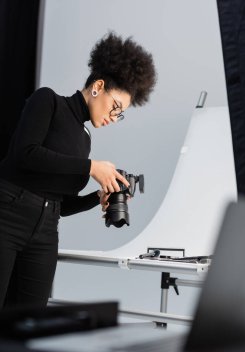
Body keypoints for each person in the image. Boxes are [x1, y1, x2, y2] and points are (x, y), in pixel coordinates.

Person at [0, 32, 156, 309]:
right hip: (6, 217)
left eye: (120, 114)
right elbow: (25, 154)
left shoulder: (84, 140)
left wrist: (97, 197)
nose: (114, 117)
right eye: (115, 106)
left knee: (28, 327)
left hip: (45, 233)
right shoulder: (47, 101)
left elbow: (60, 203)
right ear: (98, 86)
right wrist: (92, 167)